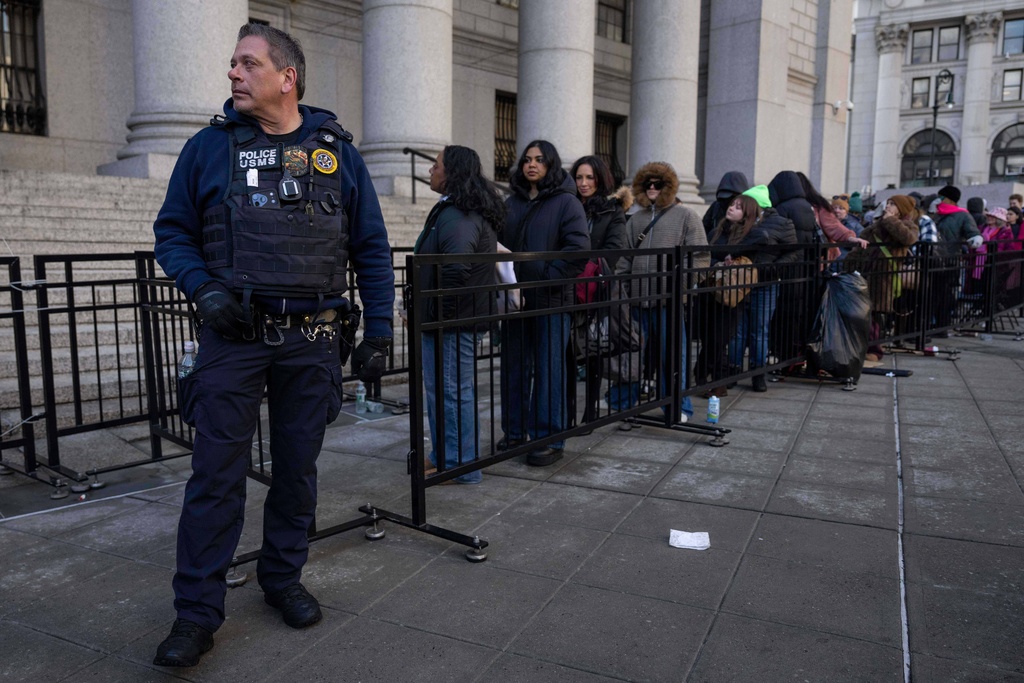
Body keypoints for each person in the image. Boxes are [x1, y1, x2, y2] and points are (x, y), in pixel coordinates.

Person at [150, 24, 395, 667]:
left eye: (247, 63)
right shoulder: (207, 148)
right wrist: (204, 290)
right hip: (234, 338)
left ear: (287, 77)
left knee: (296, 473)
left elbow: (370, 246)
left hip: (312, 341)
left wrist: (380, 331)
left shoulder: (337, 154)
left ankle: (282, 578)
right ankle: (196, 615)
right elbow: (172, 233)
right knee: (215, 479)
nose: (233, 73)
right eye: (232, 63)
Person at [416, 145, 503, 484]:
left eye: (435, 165)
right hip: (449, 318)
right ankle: (446, 457)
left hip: (452, 321)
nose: (430, 171)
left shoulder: (459, 215)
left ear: (451, 171)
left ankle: (459, 464)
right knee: (445, 391)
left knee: (451, 392)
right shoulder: (455, 210)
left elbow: (456, 269)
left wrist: (435, 315)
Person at [500, 140, 590, 466]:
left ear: (551, 164)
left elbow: (578, 251)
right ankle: (513, 433)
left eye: (539, 160)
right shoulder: (512, 203)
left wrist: (546, 277)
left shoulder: (567, 203)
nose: (531, 165)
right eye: (527, 159)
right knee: (513, 368)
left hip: (551, 300)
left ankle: (548, 438)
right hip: (516, 299)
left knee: (549, 369)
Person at [612, 162, 708, 427]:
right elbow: (625, 258)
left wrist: (682, 286)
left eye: (658, 184)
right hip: (637, 300)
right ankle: (622, 403)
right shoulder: (636, 220)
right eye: (647, 184)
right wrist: (623, 288)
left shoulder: (686, 216)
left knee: (674, 355)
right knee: (630, 353)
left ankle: (677, 405)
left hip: (670, 301)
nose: (652, 189)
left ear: (668, 186)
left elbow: (700, 257)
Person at [570, 154, 630, 424]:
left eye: (589, 177)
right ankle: (568, 409)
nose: (583, 183)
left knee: (593, 349)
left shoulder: (611, 210)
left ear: (600, 179)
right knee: (568, 350)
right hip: (567, 287)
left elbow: (615, 250)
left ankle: (590, 410)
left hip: (597, 289)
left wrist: (588, 266)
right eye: (579, 177)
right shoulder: (568, 205)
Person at [727, 185, 798, 391]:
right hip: (740, 282)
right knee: (738, 330)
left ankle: (758, 374)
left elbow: (793, 252)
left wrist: (773, 268)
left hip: (766, 283)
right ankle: (733, 371)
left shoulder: (782, 223)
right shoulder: (740, 222)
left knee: (759, 330)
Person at [695, 192, 762, 396]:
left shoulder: (751, 233)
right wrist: (719, 262)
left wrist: (734, 255)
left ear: (747, 214)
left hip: (731, 295)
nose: (732, 208)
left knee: (720, 338)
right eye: (732, 204)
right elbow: (705, 254)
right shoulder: (717, 230)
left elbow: (762, 242)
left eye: (739, 206)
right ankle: (713, 379)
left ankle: (708, 377)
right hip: (709, 289)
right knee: (708, 337)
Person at [846, 196, 918, 360]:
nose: (888, 206)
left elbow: (908, 238)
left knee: (876, 312)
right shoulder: (875, 226)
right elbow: (861, 246)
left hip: (884, 277)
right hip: (866, 274)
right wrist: (848, 265)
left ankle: (874, 350)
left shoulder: (907, 225)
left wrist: (890, 221)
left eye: (893, 204)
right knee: (862, 312)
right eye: (889, 202)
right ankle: (861, 347)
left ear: (901, 209)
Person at [933, 185, 983, 332]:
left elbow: (972, 232)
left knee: (945, 293)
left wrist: (975, 239)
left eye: (942, 197)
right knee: (933, 293)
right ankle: (932, 324)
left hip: (950, 260)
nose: (939, 199)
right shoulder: (937, 214)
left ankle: (942, 325)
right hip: (933, 260)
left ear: (951, 199)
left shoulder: (963, 215)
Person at [701, 171, 750, 238]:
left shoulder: (750, 208)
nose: (730, 207)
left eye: (737, 206)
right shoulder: (716, 206)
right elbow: (703, 230)